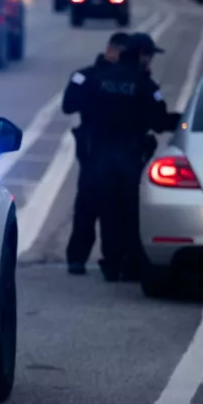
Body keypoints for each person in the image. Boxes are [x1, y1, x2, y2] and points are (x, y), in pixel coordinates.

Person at [74, 32, 179, 281]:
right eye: (149, 56)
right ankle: (132, 264)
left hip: (98, 154)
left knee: (107, 210)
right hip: (129, 156)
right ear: (142, 55)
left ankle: (111, 263)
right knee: (131, 212)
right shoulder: (145, 85)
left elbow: (81, 106)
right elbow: (158, 120)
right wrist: (182, 121)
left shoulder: (98, 78)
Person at [62, 32, 131, 275]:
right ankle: (79, 258)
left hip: (114, 150)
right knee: (89, 205)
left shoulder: (127, 78)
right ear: (111, 50)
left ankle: (110, 260)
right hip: (97, 149)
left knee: (112, 208)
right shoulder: (88, 76)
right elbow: (69, 105)